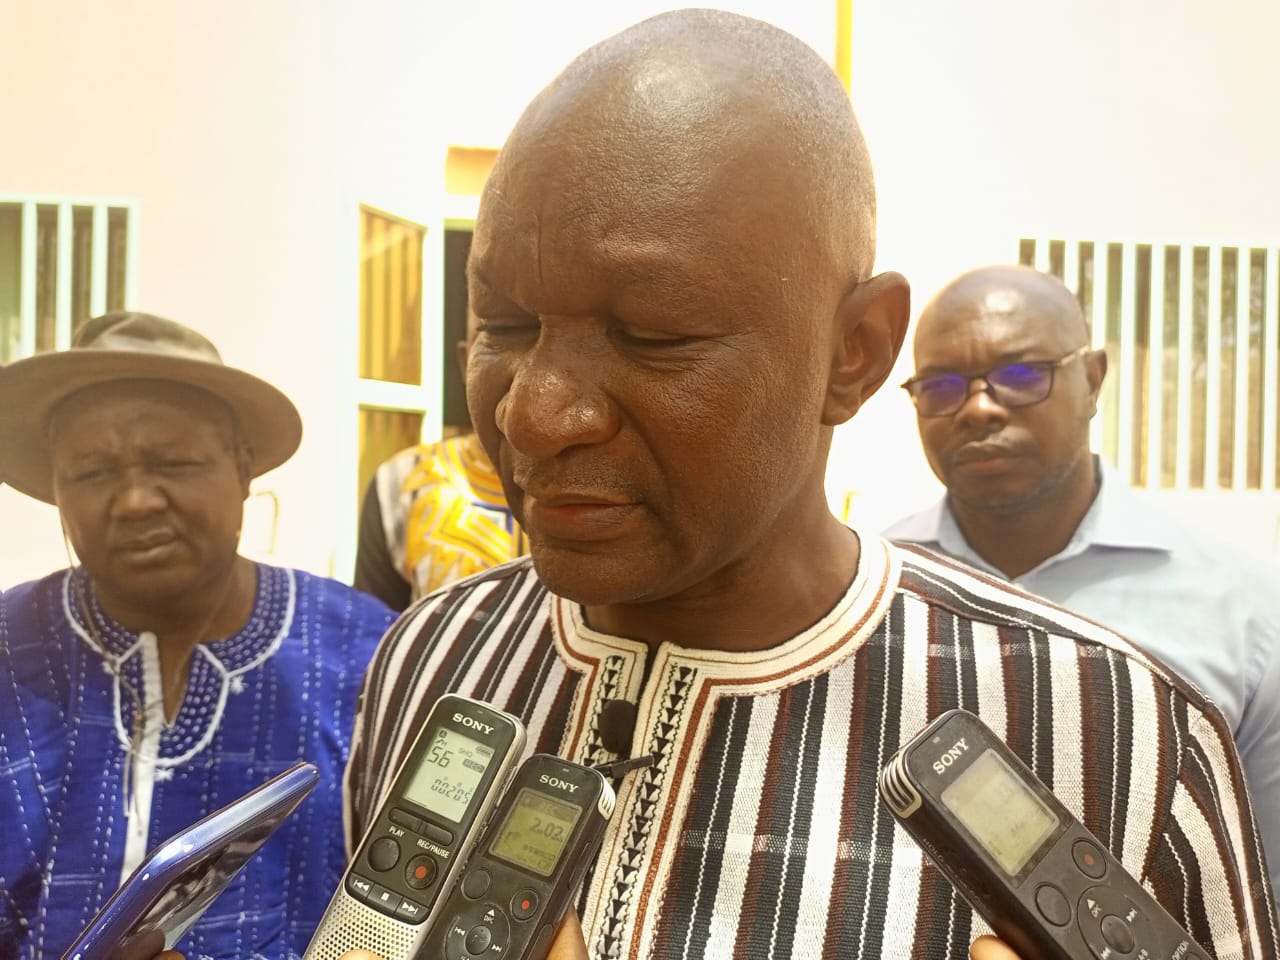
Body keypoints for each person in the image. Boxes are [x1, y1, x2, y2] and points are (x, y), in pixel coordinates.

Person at [337, 10, 1280, 959]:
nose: (533, 414)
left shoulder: (1116, 733)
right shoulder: (431, 660)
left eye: (653, 334)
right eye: (502, 325)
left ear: (855, 351)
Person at [0, 312, 396, 960]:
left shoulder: (369, 654)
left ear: (243, 469)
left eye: (173, 462)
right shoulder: (9, 646)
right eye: (92, 472)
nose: (135, 501)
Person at [884, 264, 1280, 896]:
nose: (979, 408)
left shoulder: (1245, 613)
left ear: (1093, 380)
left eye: (1021, 376)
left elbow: (1264, 891)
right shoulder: (875, 589)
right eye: (940, 386)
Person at [354, 308, 527, 611]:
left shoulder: (598, 487)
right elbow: (376, 630)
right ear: (466, 361)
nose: (528, 367)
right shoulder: (404, 482)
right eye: (498, 333)